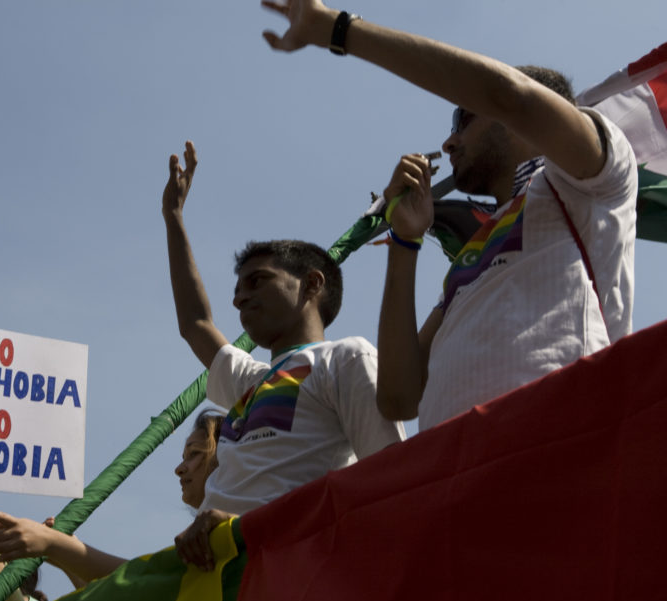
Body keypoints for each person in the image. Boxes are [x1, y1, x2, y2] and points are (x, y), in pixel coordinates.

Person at [261, 2, 637, 429]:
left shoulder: (586, 178)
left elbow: (508, 95)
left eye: (464, 118)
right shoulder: (474, 253)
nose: (449, 142)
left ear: (521, 123)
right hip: (457, 476)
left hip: (555, 446)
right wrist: (405, 241)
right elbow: (399, 398)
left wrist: (338, 29)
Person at [162, 140, 405, 569]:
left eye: (257, 281)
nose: (240, 300)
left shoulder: (345, 360)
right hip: (213, 584)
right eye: (236, 290)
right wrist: (174, 218)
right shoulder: (249, 382)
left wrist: (250, 526)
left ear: (312, 285)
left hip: (287, 578)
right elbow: (195, 325)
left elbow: (392, 482)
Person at [0, 409, 227, 583]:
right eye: (184, 457)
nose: (179, 469)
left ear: (226, 458)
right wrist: (62, 554)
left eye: (194, 454)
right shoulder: (202, 539)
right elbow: (119, 600)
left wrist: (56, 545)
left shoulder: (230, 533)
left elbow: (147, 586)